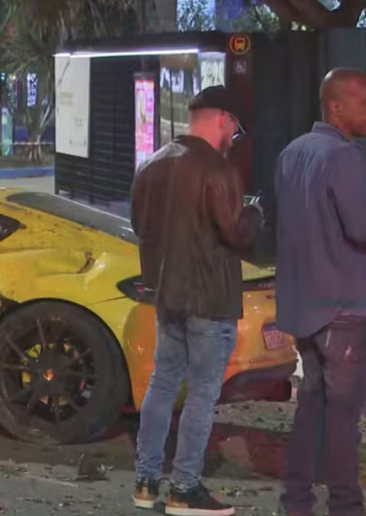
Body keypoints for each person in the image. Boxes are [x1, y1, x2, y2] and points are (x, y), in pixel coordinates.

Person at [130, 85, 262, 516]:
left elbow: (139, 228)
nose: (234, 138)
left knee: (163, 384)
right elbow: (235, 233)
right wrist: (255, 215)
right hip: (210, 299)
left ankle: (146, 482)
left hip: (166, 296)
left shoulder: (150, 165)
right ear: (223, 118)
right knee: (203, 394)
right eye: (235, 129)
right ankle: (185, 488)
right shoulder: (217, 170)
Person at [274, 68, 366, 516]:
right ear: (336, 106)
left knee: (312, 409)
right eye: (363, 103)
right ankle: (347, 507)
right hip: (343, 309)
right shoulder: (344, 157)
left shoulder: (292, 153)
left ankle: (296, 501)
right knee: (344, 420)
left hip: (303, 307)